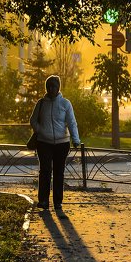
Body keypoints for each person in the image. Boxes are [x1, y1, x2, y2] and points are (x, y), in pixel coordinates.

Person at [30, 75, 80, 215]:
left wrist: (75, 139)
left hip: (62, 143)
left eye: (54, 86)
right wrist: (40, 130)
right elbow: (33, 120)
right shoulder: (41, 103)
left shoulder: (65, 103)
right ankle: (43, 200)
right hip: (44, 143)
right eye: (49, 86)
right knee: (45, 171)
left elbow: (72, 122)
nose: (51, 89)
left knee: (59, 172)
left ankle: (57, 202)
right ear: (46, 88)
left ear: (59, 88)